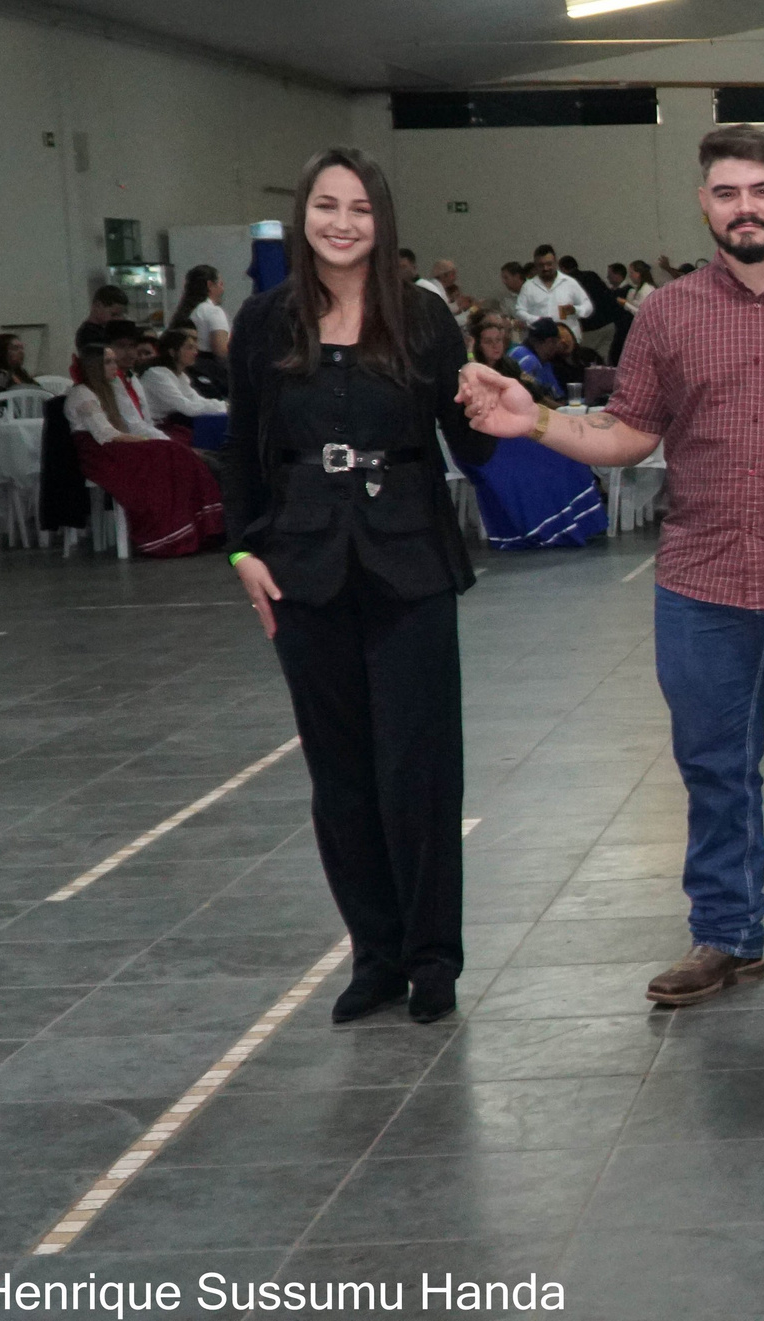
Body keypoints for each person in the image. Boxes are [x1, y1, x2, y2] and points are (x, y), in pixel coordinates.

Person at [459, 124, 764, 1006]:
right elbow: (631, 433)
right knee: (714, 766)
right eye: (726, 193)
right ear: (704, 204)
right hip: (702, 582)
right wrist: (532, 423)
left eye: (761, 190)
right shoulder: (668, 314)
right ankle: (725, 935)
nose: (745, 207)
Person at [223, 147, 494, 1026]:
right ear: (303, 214)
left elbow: (473, 441)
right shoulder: (265, 322)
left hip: (409, 561)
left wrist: (497, 400)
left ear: (383, 221)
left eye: (360, 208)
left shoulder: (421, 319)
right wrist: (242, 549)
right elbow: (243, 447)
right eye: (326, 205)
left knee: (417, 767)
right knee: (340, 774)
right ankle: (373, 953)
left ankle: (432, 956)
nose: (342, 222)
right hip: (302, 563)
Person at [64, 326, 225, 557]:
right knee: (170, 454)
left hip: (117, 446)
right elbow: (105, 434)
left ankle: (203, 525)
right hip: (102, 453)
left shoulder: (113, 386)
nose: (114, 366)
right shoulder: (82, 394)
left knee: (174, 453)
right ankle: (175, 532)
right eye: (108, 362)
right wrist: (142, 441)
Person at [135, 327, 226, 442]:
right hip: (148, 427)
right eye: (189, 348)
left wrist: (224, 406)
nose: (195, 352)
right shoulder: (157, 375)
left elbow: (197, 400)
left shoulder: (181, 376)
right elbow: (188, 407)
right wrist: (224, 407)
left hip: (164, 424)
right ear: (172, 352)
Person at [516, 245, 593, 341]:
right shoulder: (528, 287)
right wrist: (538, 320)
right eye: (541, 265)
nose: (545, 268)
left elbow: (588, 306)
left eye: (549, 264)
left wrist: (575, 310)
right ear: (535, 265)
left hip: (568, 339)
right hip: (541, 341)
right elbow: (519, 311)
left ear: (555, 262)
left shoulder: (569, 283)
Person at [507, 320, 570, 400]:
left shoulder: (545, 362)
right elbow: (536, 399)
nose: (556, 346)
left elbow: (558, 395)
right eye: (553, 341)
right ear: (536, 342)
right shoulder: (528, 360)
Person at [75, 285, 128, 354]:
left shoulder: (99, 331)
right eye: (114, 314)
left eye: (121, 315)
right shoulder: (89, 335)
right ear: (97, 306)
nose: (119, 319)